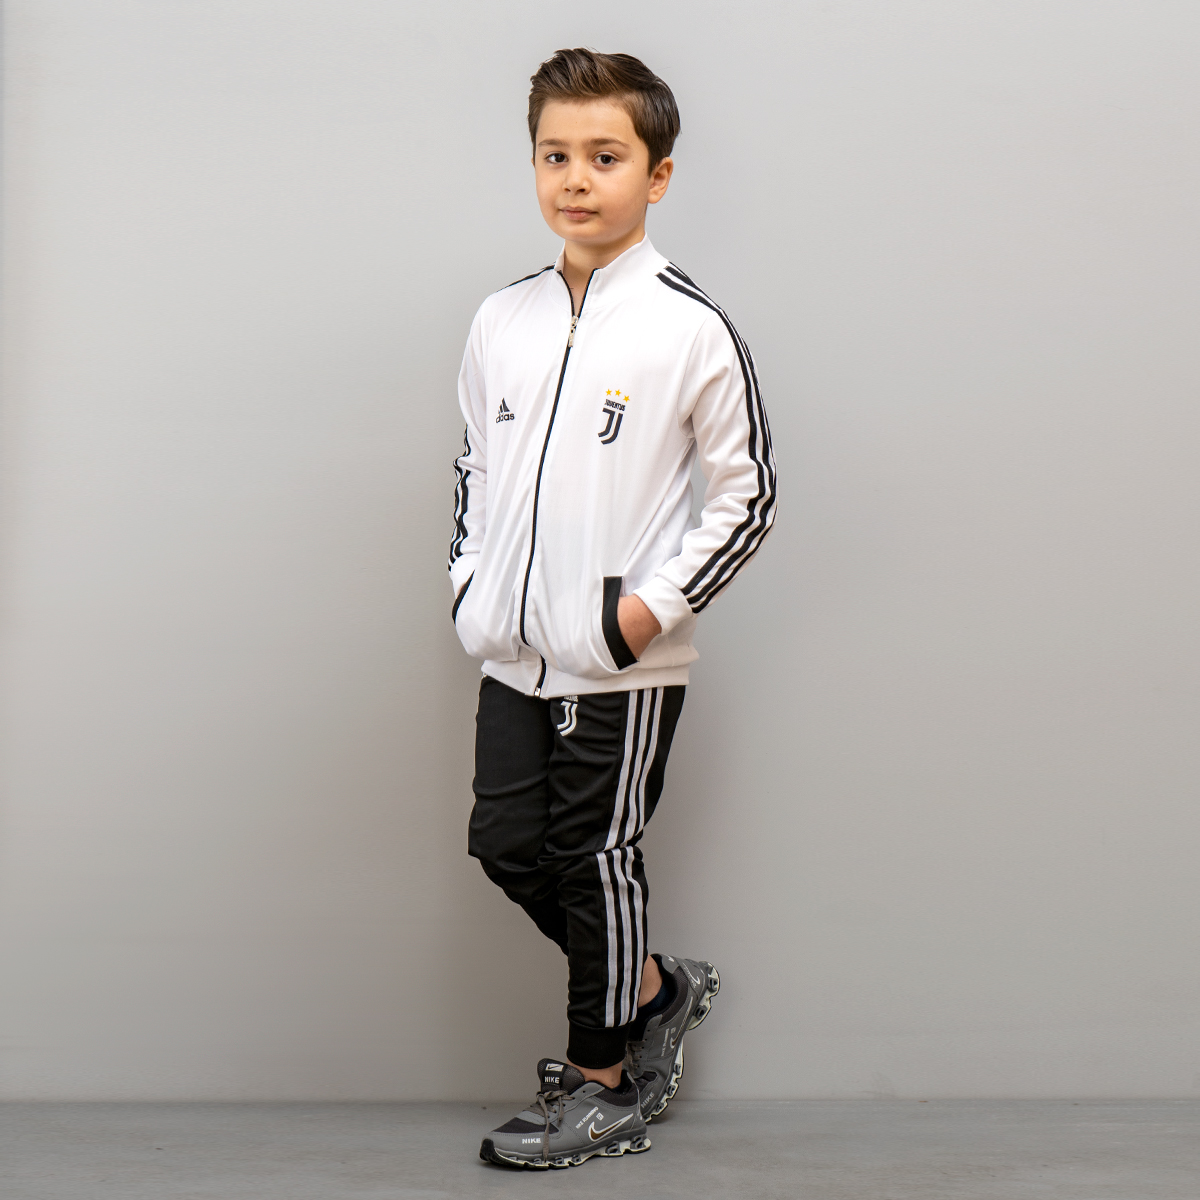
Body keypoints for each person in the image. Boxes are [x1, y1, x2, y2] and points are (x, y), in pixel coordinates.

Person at [448, 47, 776, 1169]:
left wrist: (642, 615)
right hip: (510, 649)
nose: (576, 179)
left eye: (605, 156)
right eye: (556, 155)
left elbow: (746, 496)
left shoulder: (690, 327)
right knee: (506, 845)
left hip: (618, 661)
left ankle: (603, 1085)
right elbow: (474, 470)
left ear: (657, 175)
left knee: (595, 857)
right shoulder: (503, 318)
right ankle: (651, 989)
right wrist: (471, 588)